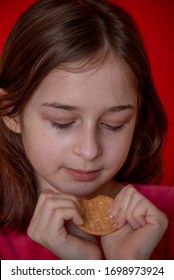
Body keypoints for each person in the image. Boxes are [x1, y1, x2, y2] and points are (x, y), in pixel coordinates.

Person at [0, 0, 173, 260]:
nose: (90, 150)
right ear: (10, 112)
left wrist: (127, 270)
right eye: (62, 122)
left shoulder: (167, 216)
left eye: (114, 125)